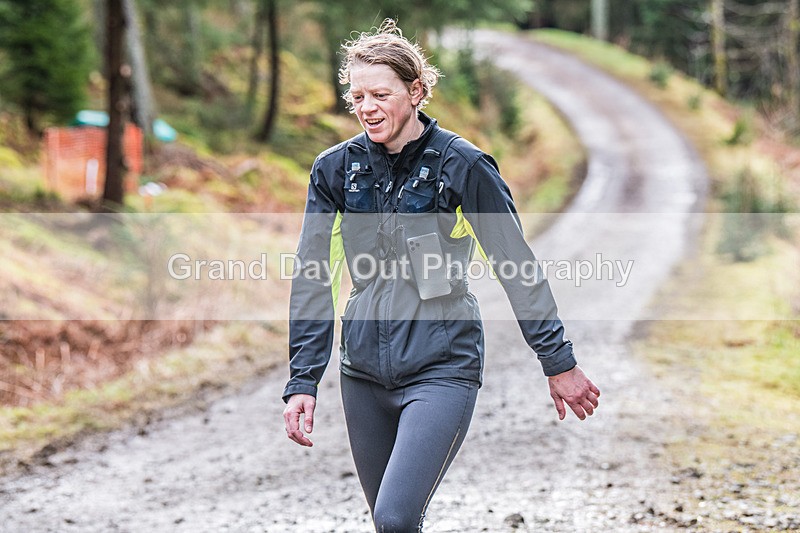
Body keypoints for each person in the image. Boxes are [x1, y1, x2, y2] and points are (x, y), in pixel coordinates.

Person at [282, 19, 600, 532]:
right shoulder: (334, 169)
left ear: (416, 91)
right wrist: (303, 380)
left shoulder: (464, 165)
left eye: (380, 94)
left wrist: (557, 361)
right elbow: (314, 276)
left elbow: (516, 265)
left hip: (441, 365)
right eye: (357, 96)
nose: (366, 107)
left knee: (394, 517)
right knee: (394, 526)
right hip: (362, 371)